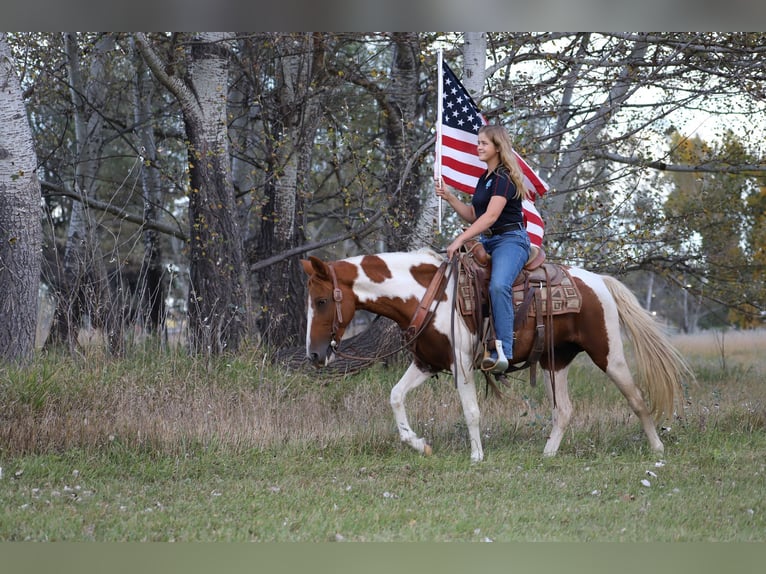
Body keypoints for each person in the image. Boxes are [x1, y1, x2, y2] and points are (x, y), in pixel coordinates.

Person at [435, 124, 530, 373]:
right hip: (490, 239)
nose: (478, 146)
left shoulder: (503, 178)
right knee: (447, 268)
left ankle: (504, 352)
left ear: (497, 147)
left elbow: (490, 217)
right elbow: (473, 215)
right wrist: (449, 196)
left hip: (511, 239)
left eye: (484, 143)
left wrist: (458, 240)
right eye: (478, 142)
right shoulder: (484, 178)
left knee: (499, 285)